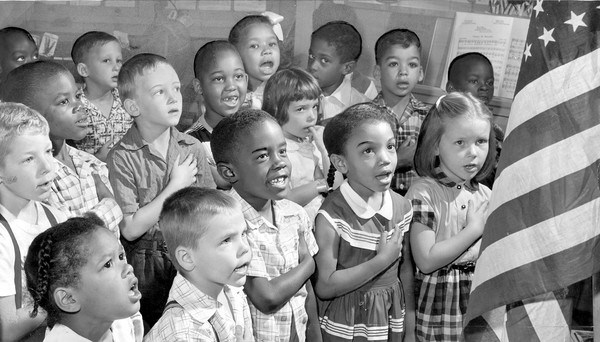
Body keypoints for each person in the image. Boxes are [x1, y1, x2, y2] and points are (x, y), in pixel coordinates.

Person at [107, 53, 216, 329]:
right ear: (133, 106)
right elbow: (130, 228)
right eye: (160, 91)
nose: (173, 98)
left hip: (192, 254)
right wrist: (175, 186)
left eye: (176, 89)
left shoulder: (191, 147)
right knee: (152, 328)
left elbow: (210, 211)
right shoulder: (122, 156)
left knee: (194, 325)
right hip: (146, 262)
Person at [211, 108, 320, 342]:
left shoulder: (295, 214)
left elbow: (306, 292)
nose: (279, 162)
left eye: (282, 151)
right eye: (262, 156)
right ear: (229, 172)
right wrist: (309, 264)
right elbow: (266, 298)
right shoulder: (229, 223)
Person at [314, 103, 415, 341]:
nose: (385, 159)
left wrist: (409, 330)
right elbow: (325, 286)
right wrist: (381, 261)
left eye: (390, 146)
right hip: (347, 324)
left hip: (389, 319)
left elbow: (406, 270)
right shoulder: (331, 216)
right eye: (369, 151)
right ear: (341, 163)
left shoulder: (402, 207)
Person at [405, 92, 496, 341]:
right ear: (435, 144)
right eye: (460, 143)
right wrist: (474, 230)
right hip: (438, 307)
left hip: (478, 304)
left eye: (481, 141)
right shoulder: (423, 192)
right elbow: (426, 260)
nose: (473, 152)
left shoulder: (487, 195)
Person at [2, 61, 123, 237]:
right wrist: (111, 204)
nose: (80, 106)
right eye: (64, 101)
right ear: (31, 116)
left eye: (78, 96)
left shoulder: (89, 163)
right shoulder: (39, 175)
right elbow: (67, 236)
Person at [145, 187, 253, 341]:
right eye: (226, 240)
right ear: (187, 258)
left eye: (244, 233)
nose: (245, 248)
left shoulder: (232, 290)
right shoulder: (184, 333)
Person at [0, 102, 67, 341]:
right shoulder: (3, 236)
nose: (47, 167)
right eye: (29, 159)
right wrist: (67, 297)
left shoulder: (57, 218)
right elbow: (6, 330)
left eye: (48, 152)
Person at [25, 215, 142, 342]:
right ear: (69, 299)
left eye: (120, 256)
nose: (128, 267)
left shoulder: (123, 324)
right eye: (107, 264)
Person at [262, 67, 328, 220]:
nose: (312, 116)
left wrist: (324, 150)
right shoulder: (277, 152)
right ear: (277, 109)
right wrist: (322, 184)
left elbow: (336, 183)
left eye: (315, 106)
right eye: (301, 109)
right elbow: (284, 199)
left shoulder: (314, 143)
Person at [372, 28, 431, 196]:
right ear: (377, 72)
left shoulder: (430, 118)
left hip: (419, 205)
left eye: (412, 65)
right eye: (393, 64)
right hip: (375, 204)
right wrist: (397, 160)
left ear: (420, 73)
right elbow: (356, 171)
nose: (403, 72)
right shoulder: (365, 118)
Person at [185, 40, 248, 189]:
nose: (231, 86)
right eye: (219, 79)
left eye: (238, 76)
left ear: (246, 79)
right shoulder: (191, 142)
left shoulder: (255, 131)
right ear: (198, 86)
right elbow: (226, 183)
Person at [70, 31, 133, 161]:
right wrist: (98, 158)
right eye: (106, 60)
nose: (117, 67)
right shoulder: (75, 108)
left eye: (119, 60)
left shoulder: (128, 101)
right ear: (84, 70)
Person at [445, 52, 503, 188]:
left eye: (490, 83)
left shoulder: (495, 132)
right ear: (451, 88)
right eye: (474, 81)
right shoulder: (441, 124)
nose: (484, 87)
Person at [308, 21, 370, 121]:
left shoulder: (361, 109)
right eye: (311, 56)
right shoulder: (292, 96)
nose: (313, 66)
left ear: (347, 68)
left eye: (325, 60)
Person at [229, 14, 280, 110]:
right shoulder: (231, 96)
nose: (267, 50)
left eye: (272, 44)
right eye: (255, 46)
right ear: (236, 55)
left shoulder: (287, 91)